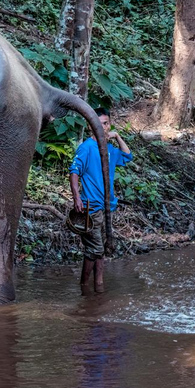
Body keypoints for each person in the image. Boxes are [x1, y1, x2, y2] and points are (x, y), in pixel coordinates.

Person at [69, 107, 132, 294]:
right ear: (91, 126)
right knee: (95, 249)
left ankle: (99, 285)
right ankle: (84, 287)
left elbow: (128, 156)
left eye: (105, 123)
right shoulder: (86, 148)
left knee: (100, 249)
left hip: (106, 209)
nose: (102, 127)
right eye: (98, 123)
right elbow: (74, 173)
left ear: (109, 124)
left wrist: (117, 136)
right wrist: (76, 198)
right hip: (90, 208)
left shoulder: (110, 149)